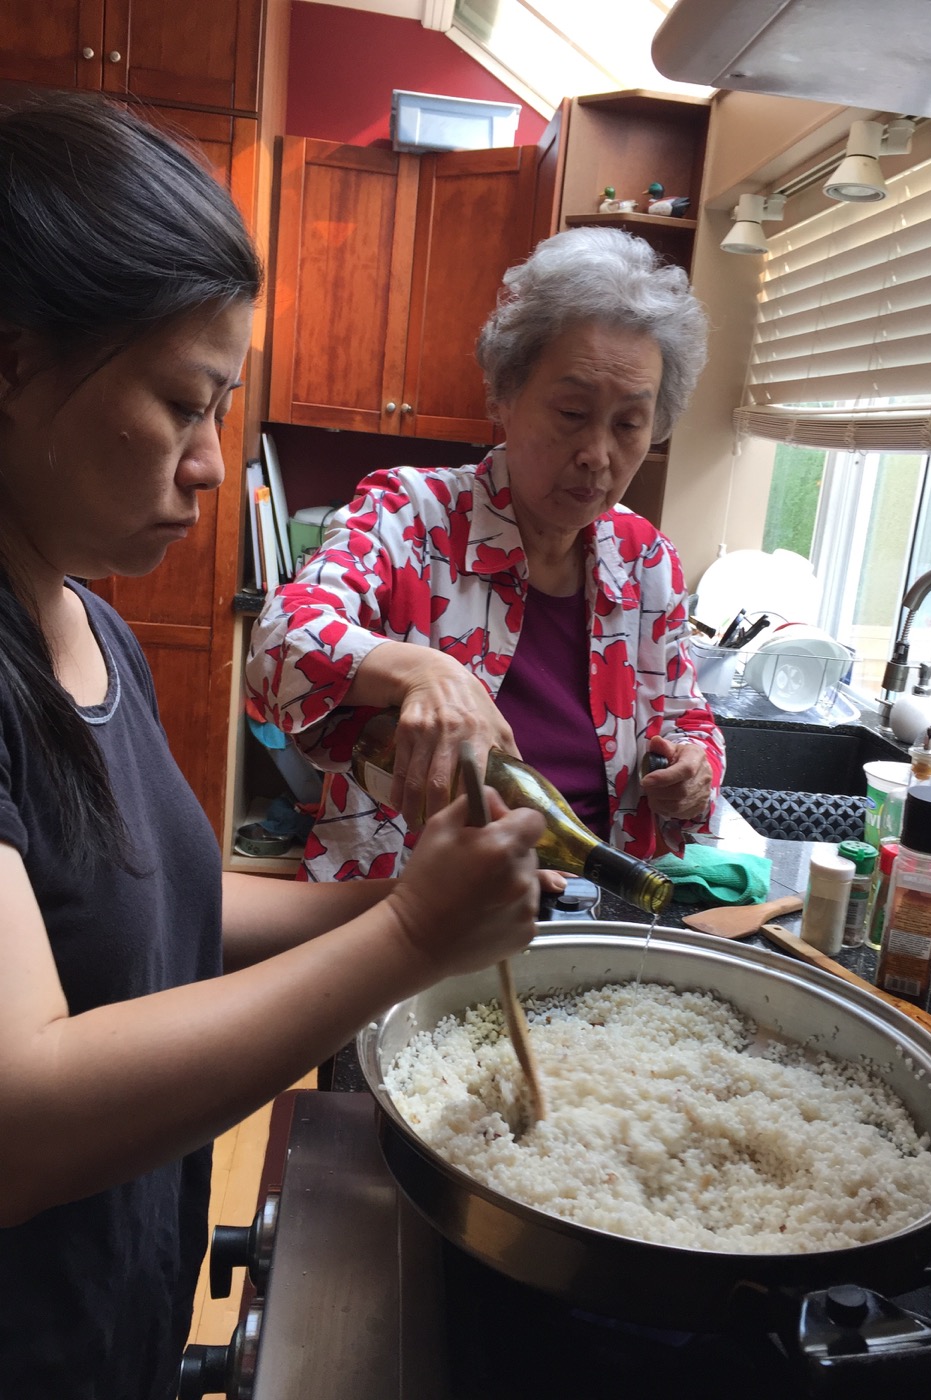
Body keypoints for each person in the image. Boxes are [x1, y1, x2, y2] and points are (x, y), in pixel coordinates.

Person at [0, 92, 544, 1400]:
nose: (207, 465)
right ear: (13, 367)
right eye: (183, 404)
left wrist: (394, 899)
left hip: (106, 1317)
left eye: (223, 406)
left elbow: (166, 906)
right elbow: (19, 1116)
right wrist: (410, 943)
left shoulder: (90, 625)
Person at [246, 226, 724, 884]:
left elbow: (684, 710)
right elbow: (279, 640)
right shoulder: (410, 516)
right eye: (571, 411)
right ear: (503, 395)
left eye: (628, 424)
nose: (598, 453)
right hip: (400, 917)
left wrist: (695, 765)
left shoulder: (647, 561)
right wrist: (421, 672)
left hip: (582, 909)